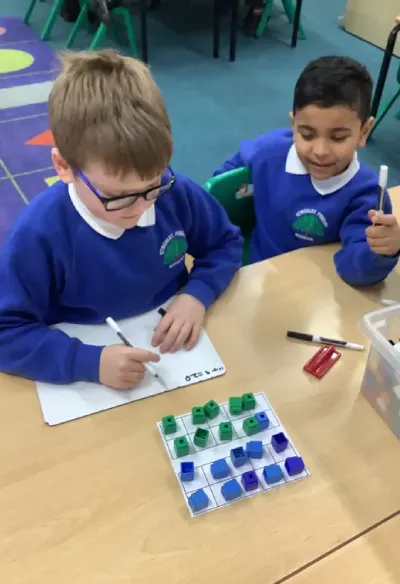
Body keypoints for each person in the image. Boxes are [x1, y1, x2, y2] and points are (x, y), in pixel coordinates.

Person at [0, 50, 242, 390]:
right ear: (64, 167)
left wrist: (197, 295)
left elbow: (224, 243)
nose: (141, 207)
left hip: (172, 344)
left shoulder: (175, 191)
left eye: (152, 185)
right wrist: (87, 362)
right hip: (86, 370)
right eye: (117, 196)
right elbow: (6, 332)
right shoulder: (38, 234)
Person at [213, 56, 400, 286]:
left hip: (313, 290)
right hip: (255, 276)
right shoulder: (270, 150)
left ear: (364, 131)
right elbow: (223, 182)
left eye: (338, 137)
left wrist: (381, 252)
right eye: (307, 135)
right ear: (293, 125)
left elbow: (356, 271)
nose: (320, 151)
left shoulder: (368, 194)